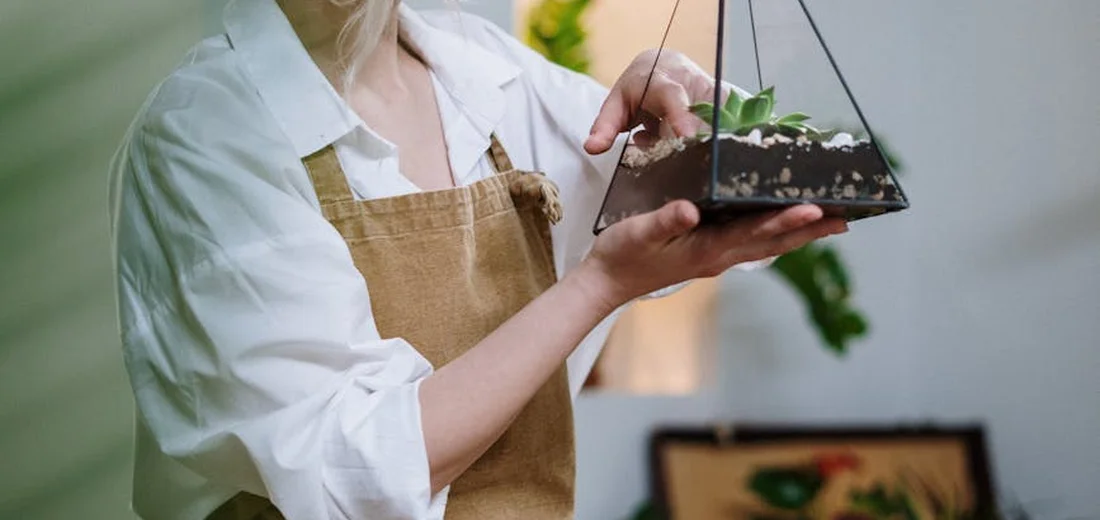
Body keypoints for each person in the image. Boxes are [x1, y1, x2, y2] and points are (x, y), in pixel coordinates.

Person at [108, 0, 847, 518]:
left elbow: (709, 203)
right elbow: (352, 482)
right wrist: (599, 287)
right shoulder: (206, 132)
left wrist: (684, 115)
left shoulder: (485, 75)